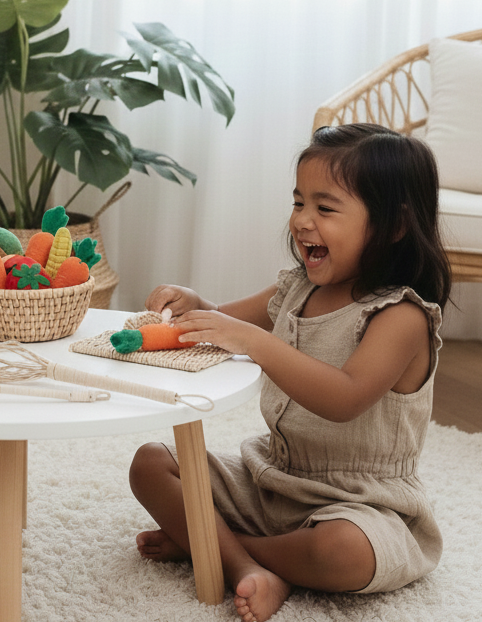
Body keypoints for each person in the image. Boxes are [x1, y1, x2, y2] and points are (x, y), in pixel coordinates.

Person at [129, 123, 451, 622]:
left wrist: (256, 342)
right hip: (274, 478)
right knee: (151, 462)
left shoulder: (401, 317)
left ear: (393, 226)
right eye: (299, 202)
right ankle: (244, 563)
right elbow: (226, 318)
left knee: (344, 552)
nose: (301, 221)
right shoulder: (297, 288)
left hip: (360, 502)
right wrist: (195, 303)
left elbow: (344, 398)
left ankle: (211, 544)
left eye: (324, 208)